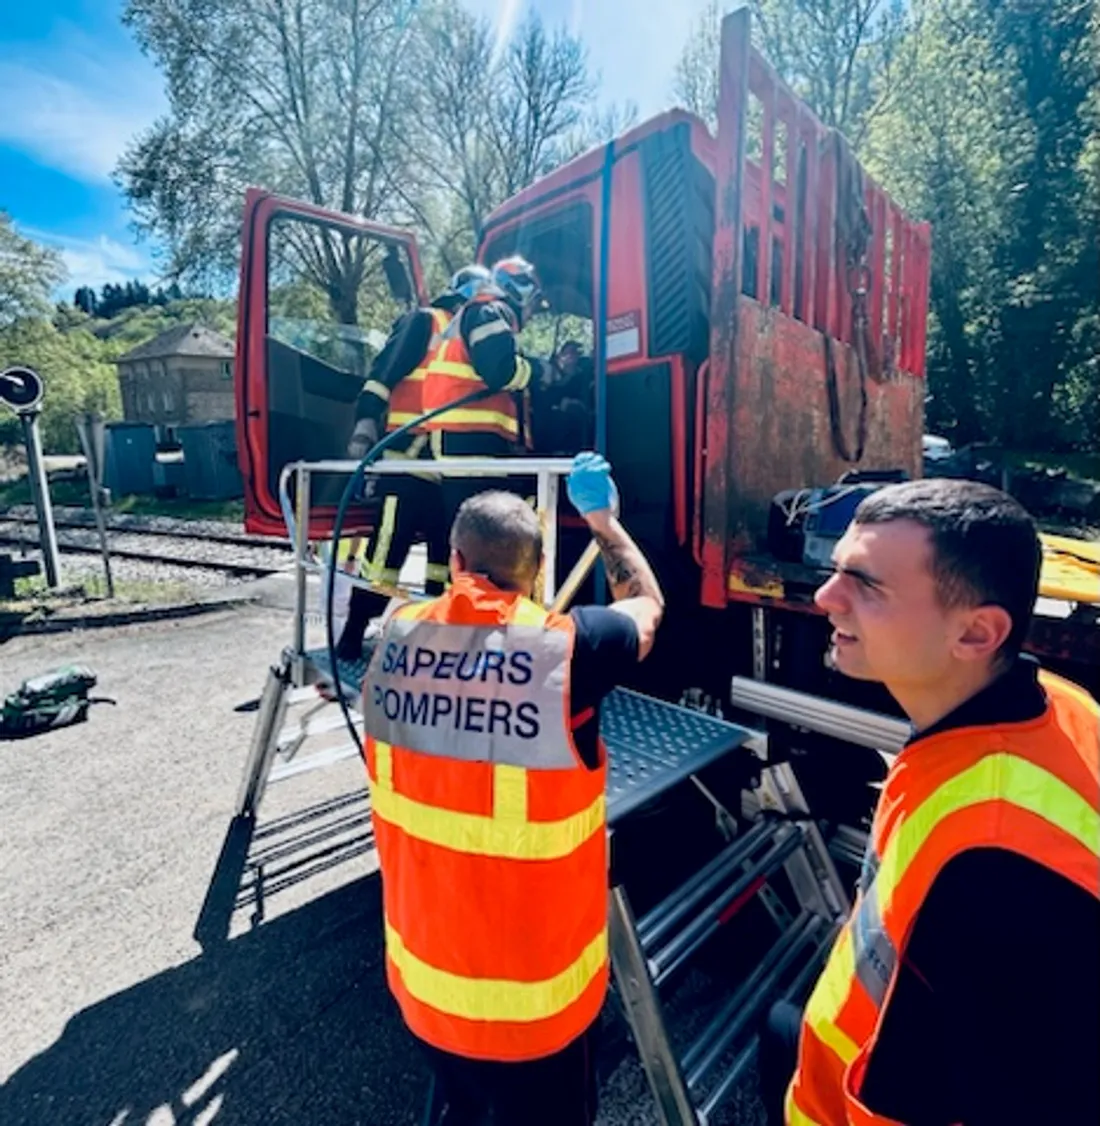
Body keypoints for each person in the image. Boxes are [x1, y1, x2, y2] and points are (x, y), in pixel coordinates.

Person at [763, 479, 1099, 1126]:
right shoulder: (1057, 705)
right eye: (836, 570)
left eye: (866, 584)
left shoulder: (993, 876)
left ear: (976, 634)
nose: (826, 597)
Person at [360, 453, 664, 1126]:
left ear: (455, 558)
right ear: (538, 566)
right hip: (538, 1007)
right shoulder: (570, 650)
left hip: (427, 984)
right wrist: (605, 523)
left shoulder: (393, 638)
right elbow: (646, 607)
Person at [336, 265, 492, 659]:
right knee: (386, 552)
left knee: (444, 558)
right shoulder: (426, 321)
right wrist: (366, 423)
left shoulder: (479, 334)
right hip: (405, 459)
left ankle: (434, 639)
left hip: (447, 466)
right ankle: (353, 634)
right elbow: (383, 372)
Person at [420, 255, 545, 523]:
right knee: (478, 528)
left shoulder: (479, 314)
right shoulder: (489, 312)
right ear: (518, 289)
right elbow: (500, 372)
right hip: (467, 440)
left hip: (467, 438)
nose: (534, 311)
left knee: (481, 530)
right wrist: (538, 371)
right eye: (534, 300)